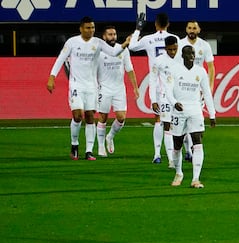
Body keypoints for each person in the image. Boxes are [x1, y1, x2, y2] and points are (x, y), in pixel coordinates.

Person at [46, 16, 130, 161]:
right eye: (88, 28)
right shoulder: (72, 42)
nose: (91, 30)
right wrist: (52, 76)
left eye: (92, 28)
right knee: (77, 115)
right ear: (81, 29)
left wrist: (124, 45)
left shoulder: (98, 43)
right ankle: (74, 144)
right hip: (76, 85)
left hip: (92, 86)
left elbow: (113, 53)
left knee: (90, 117)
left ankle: (89, 151)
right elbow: (61, 58)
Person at [129, 12, 180, 165]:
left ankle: (157, 154)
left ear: (156, 24)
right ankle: (175, 156)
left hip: (156, 83)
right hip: (172, 84)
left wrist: (138, 29)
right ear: (168, 24)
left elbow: (131, 46)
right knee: (172, 122)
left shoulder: (148, 39)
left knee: (158, 120)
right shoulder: (175, 39)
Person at [166, 45, 216, 188]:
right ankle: (179, 172)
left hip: (195, 110)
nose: (191, 56)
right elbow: (168, 90)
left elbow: (206, 93)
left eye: (193, 53)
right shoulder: (174, 70)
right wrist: (174, 103)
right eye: (188, 54)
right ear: (183, 55)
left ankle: (196, 179)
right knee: (177, 144)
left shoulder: (201, 71)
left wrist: (212, 114)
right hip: (179, 111)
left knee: (197, 142)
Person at [96, 26, 139, 157]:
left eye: (114, 34)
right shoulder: (99, 51)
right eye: (110, 34)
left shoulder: (123, 50)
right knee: (103, 117)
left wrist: (135, 87)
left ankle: (110, 136)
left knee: (121, 117)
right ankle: (101, 146)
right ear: (104, 37)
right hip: (104, 88)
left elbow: (129, 69)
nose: (113, 36)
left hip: (119, 88)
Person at [176, 20, 216, 162]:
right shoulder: (180, 44)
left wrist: (209, 87)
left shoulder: (204, 46)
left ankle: (193, 147)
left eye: (194, 28)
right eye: (189, 28)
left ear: (198, 30)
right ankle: (188, 150)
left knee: (196, 121)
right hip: (183, 88)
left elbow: (211, 67)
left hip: (197, 88)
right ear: (186, 29)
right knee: (184, 122)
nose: (192, 30)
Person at [149, 35, 179, 168]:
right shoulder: (158, 61)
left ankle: (185, 152)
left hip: (179, 97)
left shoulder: (181, 58)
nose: (173, 52)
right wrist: (153, 99)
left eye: (175, 49)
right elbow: (152, 80)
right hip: (165, 96)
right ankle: (170, 159)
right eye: (170, 49)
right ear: (165, 48)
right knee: (167, 125)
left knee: (178, 127)